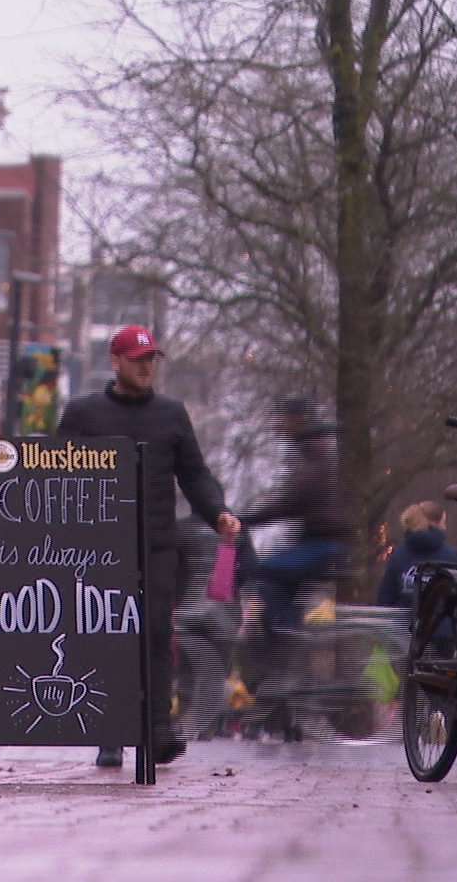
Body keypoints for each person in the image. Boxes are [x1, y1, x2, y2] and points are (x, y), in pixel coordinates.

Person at [55, 324, 239, 768]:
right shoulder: (83, 415)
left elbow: (194, 474)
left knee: (157, 633)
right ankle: (110, 731)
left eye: (151, 359)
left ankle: (157, 728)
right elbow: (54, 476)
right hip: (98, 550)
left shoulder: (172, 414)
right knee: (105, 634)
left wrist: (217, 513)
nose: (146, 367)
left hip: (157, 543)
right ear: (115, 362)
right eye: (138, 359)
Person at [241, 396, 352, 652]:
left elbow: (290, 503)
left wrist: (246, 519)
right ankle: (289, 639)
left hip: (325, 545)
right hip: (317, 543)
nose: (282, 425)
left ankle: (288, 647)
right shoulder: (310, 452)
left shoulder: (314, 458)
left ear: (298, 419)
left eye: (286, 419)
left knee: (265, 570)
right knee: (283, 585)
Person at [378, 501, 457, 608]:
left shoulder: (398, 555)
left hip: (402, 623)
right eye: (443, 522)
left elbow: (385, 601)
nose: (445, 527)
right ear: (435, 523)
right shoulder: (455, 557)